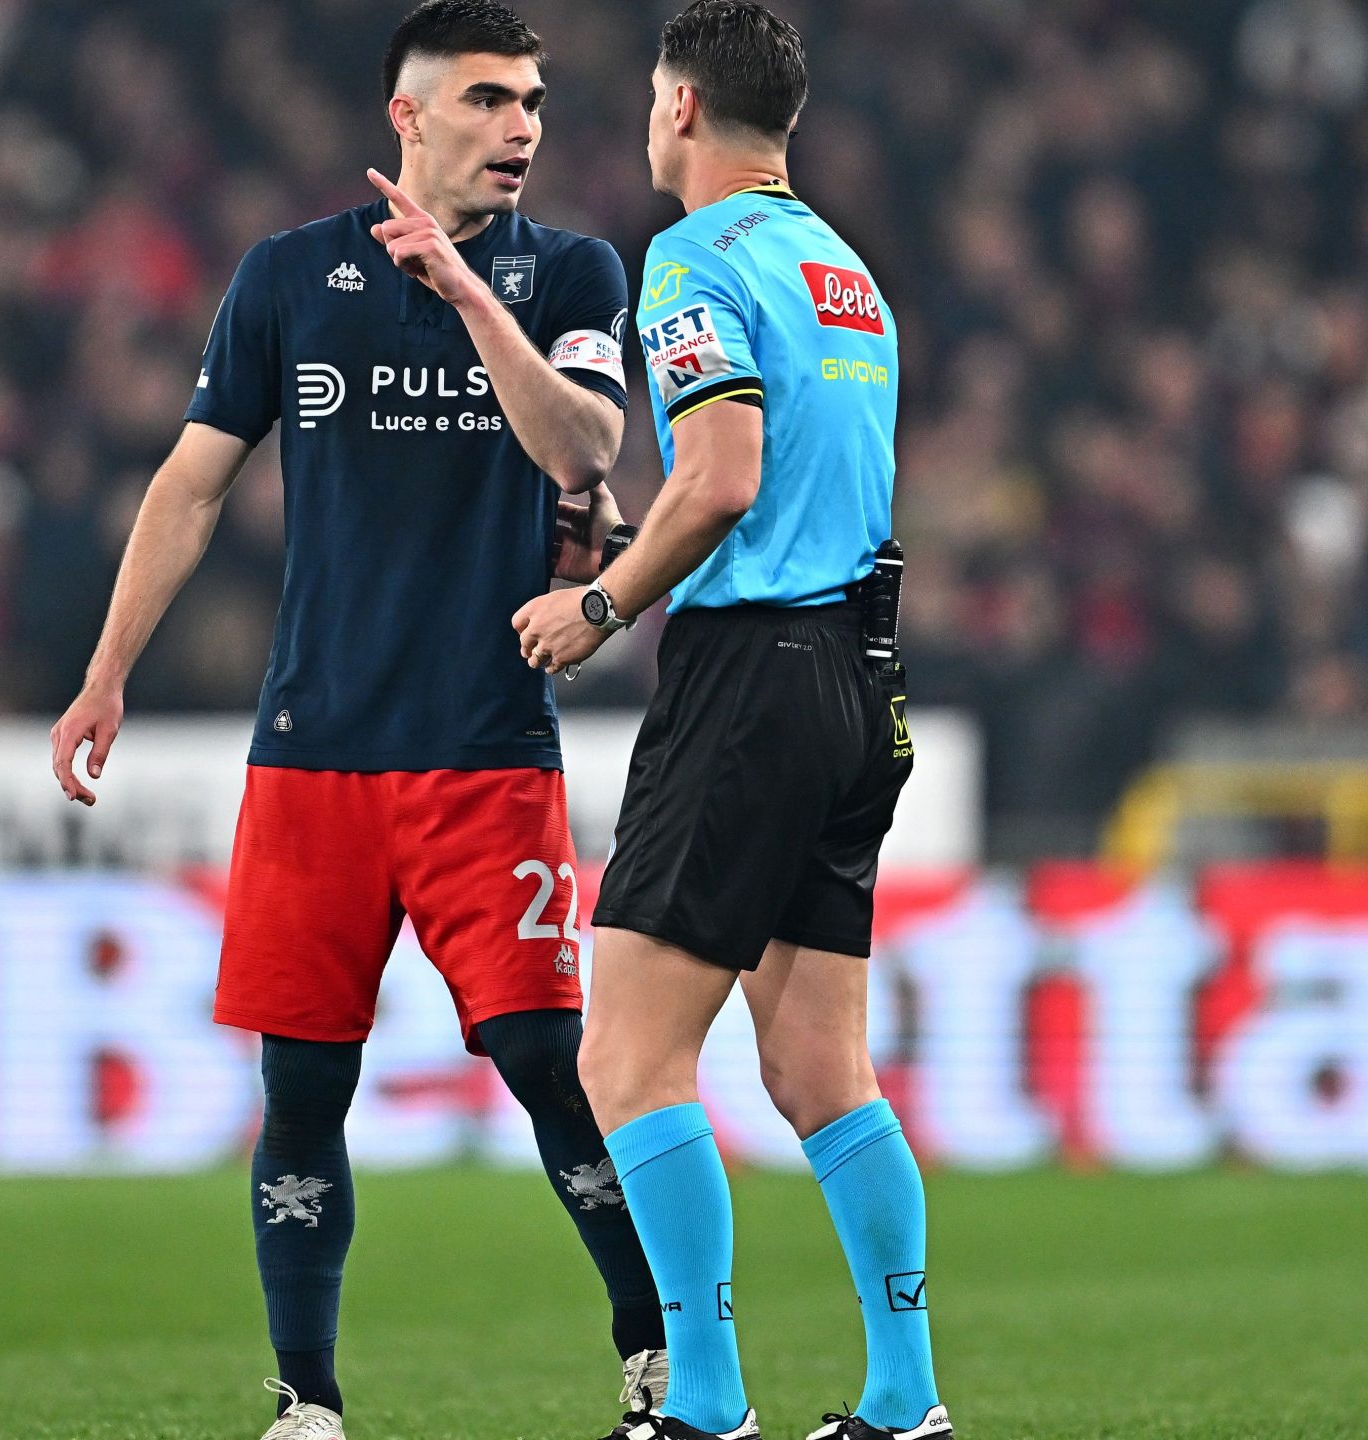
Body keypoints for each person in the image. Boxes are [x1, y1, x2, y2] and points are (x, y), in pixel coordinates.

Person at [47, 5, 664, 1439]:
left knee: (542, 1066)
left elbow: (583, 446)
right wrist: (105, 669)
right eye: (489, 99)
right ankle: (308, 1399)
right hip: (311, 755)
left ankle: (657, 1356)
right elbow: (192, 486)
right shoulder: (287, 280)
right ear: (409, 116)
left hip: (484, 751)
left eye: (534, 101)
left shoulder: (571, 268)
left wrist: (463, 293)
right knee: (304, 1083)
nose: (521, 125)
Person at [510, 3, 949, 1437]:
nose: (646, 122)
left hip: (751, 678)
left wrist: (602, 604)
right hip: (862, 678)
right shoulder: (846, 272)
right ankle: (905, 1402)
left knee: (625, 1056)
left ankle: (699, 1405)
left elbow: (723, 476)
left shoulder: (691, 254)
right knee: (820, 1067)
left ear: (685, 108)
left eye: (651, 97)